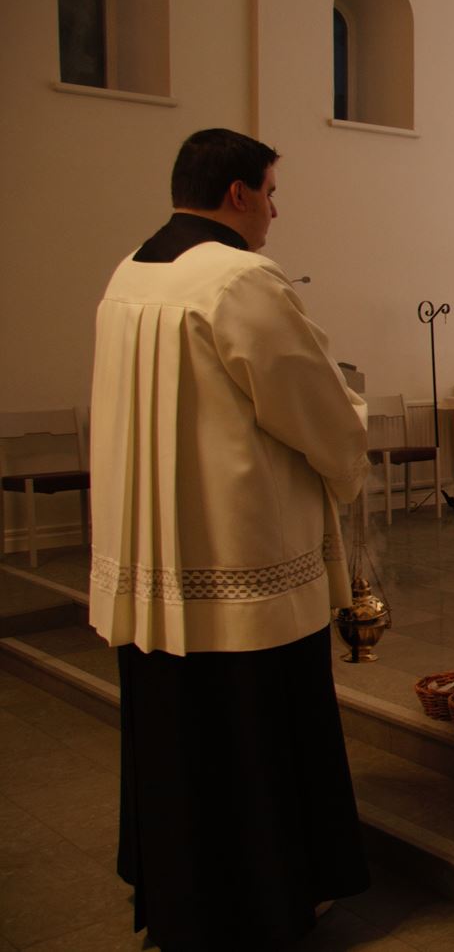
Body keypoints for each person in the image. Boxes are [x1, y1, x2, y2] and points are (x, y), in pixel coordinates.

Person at [89, 129, 371, 948]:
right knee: (253, 740)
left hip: (154, 562)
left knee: (179, 740)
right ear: (238, 194)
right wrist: (351, 422)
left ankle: (183, 895)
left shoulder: (129, 272)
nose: (276, 211)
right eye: (273, 193)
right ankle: (261, 898)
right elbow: (306, 400)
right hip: (237, 555)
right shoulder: (239, 278)